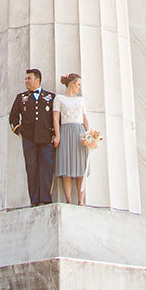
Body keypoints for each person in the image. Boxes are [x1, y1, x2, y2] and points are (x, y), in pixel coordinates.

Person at [8, 68, 58, 206]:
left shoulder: (50, 97)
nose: (26, 81)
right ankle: (35, 200)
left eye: (28, 78)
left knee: (46, 168)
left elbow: (56, 118)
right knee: (31, 168)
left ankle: (45, 198)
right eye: (25, 79)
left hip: (46, 137)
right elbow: (13, 117)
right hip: (29, 138)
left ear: (37, 80)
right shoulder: (21, 97)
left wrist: (55, 134)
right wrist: (19, 131)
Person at [52, 73, 92, 205]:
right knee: (66, 167)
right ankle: (69, 200)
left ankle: (81, 201)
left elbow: (85, 118)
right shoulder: (59, 99)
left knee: (81, 168)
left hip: (79, 133)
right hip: (65, 131)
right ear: (71, 83)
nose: (79, 87)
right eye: (78, 84)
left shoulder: (80, 100)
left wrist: (90, 135)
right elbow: (56, 119)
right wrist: (57, 135)